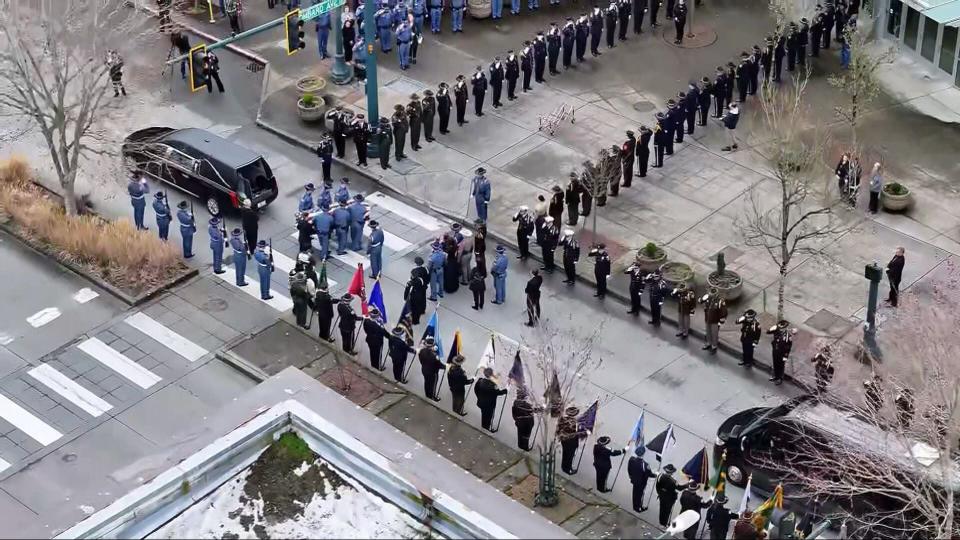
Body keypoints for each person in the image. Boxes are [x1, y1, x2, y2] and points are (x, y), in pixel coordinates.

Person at [558, 406, 587, 473]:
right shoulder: (574, 422)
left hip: (564, 440)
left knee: (565, 455)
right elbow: (577, 433)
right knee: (569, 456)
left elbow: (560, 429)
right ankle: (568, 469)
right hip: (571, 443)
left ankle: (564, 467)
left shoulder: (563, 419)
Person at [767, 320, 795, 385]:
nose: (781, 329)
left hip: (782, 353)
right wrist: (772, 328)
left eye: (783, 328)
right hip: (775, 350)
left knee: (781, 366)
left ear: (785, 328)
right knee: (775, 364)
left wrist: (786, 356)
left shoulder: (788, 336)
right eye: (780, 327)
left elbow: (788, 347)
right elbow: (767, 332)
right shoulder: (776, 331)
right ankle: (776, 376)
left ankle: (780, 378)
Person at [700, 287, 727, 353]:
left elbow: (724, 312)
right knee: (708, 332)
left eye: (712, 293)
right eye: (710, 293)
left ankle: (714, 346)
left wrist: (721, 321)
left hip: (715, 320)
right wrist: (702, 299)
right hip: (708, 318)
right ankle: (708, 343)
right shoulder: (708, 298)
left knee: (714, 333)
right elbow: (700, 301)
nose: (710, 294)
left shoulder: (720, 301)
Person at [405, 257, 430, 324]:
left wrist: (405, 297)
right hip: (423, 287)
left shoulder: (414, 271)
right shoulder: (426, 269)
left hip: (416, 290)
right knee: (423, 299)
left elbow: (411, 282)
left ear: (416, 264)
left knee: (415, 305)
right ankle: (422, 310)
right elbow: (428, 278)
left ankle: (414, 318)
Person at [419, 336, 444, 400]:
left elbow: (421, 360)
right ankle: (432, 396)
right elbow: (439, 365)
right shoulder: (434, 356)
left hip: (424, 370)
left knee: (427, 382)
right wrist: (446, 367)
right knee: (433, 385)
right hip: (433, 373)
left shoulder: (422, 351)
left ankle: (427, 394)